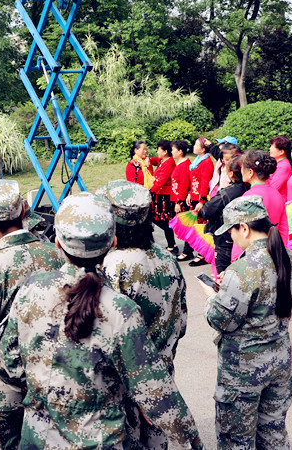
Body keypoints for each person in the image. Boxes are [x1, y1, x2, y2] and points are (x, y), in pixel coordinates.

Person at [0, 193, 204, 449]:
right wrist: (193, 442)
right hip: (97, 440)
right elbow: (155, 393)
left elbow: (10, 360)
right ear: (112, 243)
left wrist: (46, 388)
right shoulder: (120, 310)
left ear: (58, 243)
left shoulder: (31, 290)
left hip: (38, 438)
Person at [198, 196, 292, 449]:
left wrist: (212, 297)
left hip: (243, 370)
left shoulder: (242, 270)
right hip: (279, 361)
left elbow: (220, 320)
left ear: (244, 228)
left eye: (231, 231)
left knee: (237, 440)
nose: (231, 237)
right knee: (273, 433)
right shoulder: (290, 259)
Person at [0, 180, 65, 450]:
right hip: (55, 380)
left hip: (3, 392)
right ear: (24, 211)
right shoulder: (58, 254)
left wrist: (20, 378)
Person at [100, 180, 188, 449]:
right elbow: (182, 320)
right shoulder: (167, 259)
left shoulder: (113, 266)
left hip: (128, 383)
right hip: (162, 372)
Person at [202, 156, 248, 273]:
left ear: (231, 174)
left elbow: (206, 211)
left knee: (224, 275)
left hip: (225, 238)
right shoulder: (249, 188)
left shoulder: (227, 193)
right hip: (245, 239)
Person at [242, 150, 289, 243]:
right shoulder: (277, 194)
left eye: (242, 168)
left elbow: (244, 231)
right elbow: (284, 228)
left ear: (250, 172)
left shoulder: (248, 196)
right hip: (274, 246)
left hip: (254, 248)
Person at [186, 137, 215, 265]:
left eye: (196, 145)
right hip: (194, 196)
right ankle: (198, 251)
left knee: (202, 226)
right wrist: (189, 193)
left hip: (201, 199)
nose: (193, 147)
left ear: (203, 149)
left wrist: (202, 201)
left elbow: (205, 182)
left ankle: (202, 254)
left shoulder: (207, 162)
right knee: (195, 226)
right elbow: (194, 180)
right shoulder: (197, 160)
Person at [150, 140, 178, 254]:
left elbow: (161, 181)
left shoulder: (169, 163)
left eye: (159, 150)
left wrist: (150, 191)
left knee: (164, 220)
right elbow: (155, 160)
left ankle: (172, 245)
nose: (157, 152)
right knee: (156, 218)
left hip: (164, 196)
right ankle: (172, 244)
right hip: (159, 194)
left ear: (165, 151)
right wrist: (147, 158)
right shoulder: (163, 160)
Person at [170, 140, 194, 262]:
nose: (171, 152)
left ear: (180, 151)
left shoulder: (184, 165)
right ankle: (187, 251)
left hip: (182, 201)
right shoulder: (180, 163)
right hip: (179, 199)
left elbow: (184, 185)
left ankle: (187, 252)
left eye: (173, 150)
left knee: (186, 226)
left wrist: (179, 202)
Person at [268, 135, 292, 201]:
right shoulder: (278, 163)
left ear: (281, 152)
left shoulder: (284, 166)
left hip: (280, 201)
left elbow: (273, 187)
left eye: (272, 147)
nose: (270, 149)